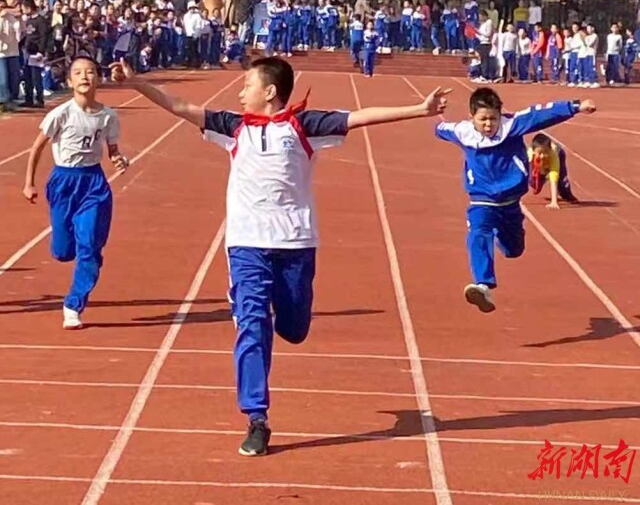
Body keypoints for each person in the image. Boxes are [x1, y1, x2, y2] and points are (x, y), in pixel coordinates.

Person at [109, 55, 449, 456]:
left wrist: (419, 110)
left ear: (269, 92)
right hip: (246, 242)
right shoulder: (233, 128)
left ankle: (286, 321)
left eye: (247, 85)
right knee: (252, 322)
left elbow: (360, 117)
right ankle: (257, 417)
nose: (240, 92)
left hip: (296, 243)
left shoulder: (304, 126)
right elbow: (180, 106)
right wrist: (135, 83)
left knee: (294, 326)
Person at [434, 87, 596, 314]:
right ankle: (483, 285)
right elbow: (440, 128)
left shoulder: (513, 126)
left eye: (492, 118)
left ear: (501, 114)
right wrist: (434, 110)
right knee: (478, 230)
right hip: (482, 198)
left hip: (510, 202)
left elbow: (543, 113)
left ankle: (505, 238)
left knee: (513, 250)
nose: (488, 125)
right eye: (482, 120)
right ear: (472, 117)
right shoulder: (463, 132)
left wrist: (576, 106)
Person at [23, 55, 129, 329]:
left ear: (98, 78)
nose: (85, 77)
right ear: (69, 81)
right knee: (62, 251)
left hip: (93, 183)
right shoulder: (61, 114)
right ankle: (79, 252)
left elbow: (113, 150)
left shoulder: (108, 117)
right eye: (79, 73)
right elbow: (37, 148)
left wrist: (118, 159)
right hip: (64, 181)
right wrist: (29, 182)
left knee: (89, 244)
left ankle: (73, 304)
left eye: (91, 72)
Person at [528, 133, 578, 209]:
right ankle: (542, 176)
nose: (542, 155)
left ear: (549, 149)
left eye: (545, 152)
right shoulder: (529, 155)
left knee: (561, 180)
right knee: (531, 180)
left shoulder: (554, 155)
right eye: (540, 153)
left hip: (559, 154)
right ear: (534, 151)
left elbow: (554, 177)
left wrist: (554, 202)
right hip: (536, 161)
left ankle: (565, 193)